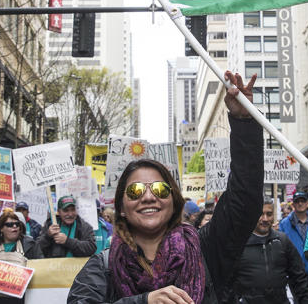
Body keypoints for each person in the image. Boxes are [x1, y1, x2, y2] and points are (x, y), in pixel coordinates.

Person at [67, 70, 263, 303]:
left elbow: (245, 199)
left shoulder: (206, 250)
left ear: (174, 203)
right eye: (136, 191)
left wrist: (244, 122)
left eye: (160, 190)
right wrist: (144, 301)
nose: (148, 197)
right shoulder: (103, 267)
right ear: (121, 207)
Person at [230, 197, 308, 303]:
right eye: (260, 214)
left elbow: (299, 278)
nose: (265, 219)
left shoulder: (282, 241)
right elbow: (227, 283)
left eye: (269, 214)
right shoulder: (239, 244)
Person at [0, 210, 43, 304]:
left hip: (21, 300)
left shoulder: (30, 246)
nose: (14, 227)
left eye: (17, 224)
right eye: (9, 224)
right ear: (1, 228)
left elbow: (41, 269)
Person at [279, 190, 308, 287]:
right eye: (297, 201)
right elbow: (280, 247)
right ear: (293, 204)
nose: (300, 204)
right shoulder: (284, 224)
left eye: (303, 201)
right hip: (293, 273)